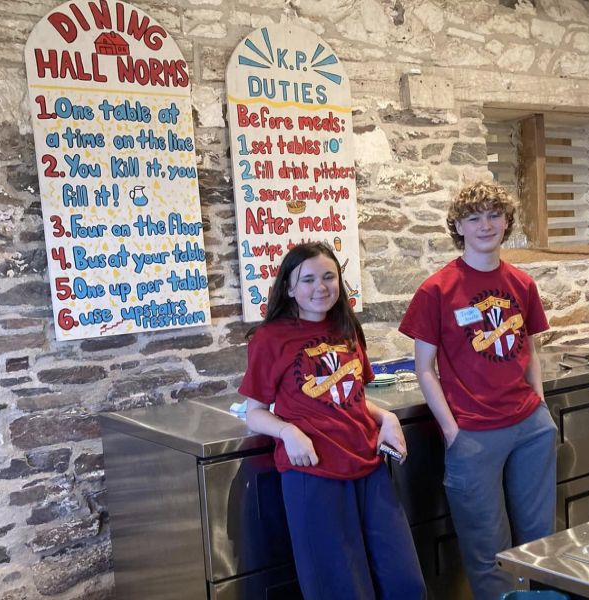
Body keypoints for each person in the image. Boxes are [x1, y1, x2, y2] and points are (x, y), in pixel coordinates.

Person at [239, 241, 426, 600]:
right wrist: (288, 431)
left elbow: (351, 398)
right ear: (288, 288)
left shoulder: (346, 327)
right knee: (340, 589)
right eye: (308, 279)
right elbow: (255, 411)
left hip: (368, 466)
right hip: (314, 473)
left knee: (405, 583)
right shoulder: (270, 338)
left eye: (329, 277)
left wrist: (386, 417)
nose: (320, 287)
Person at [398, 181, 557, 600]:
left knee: (540, 543)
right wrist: (453, 432)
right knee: (488, 551)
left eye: (493, 215)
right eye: (473, 218)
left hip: (531, 428)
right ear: (458, 227)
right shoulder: (436, 290)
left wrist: (540, 405)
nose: (485, 225)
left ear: (506, 222)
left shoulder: (522, 283)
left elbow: (531, 350)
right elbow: (424, 368)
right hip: (473, 434)